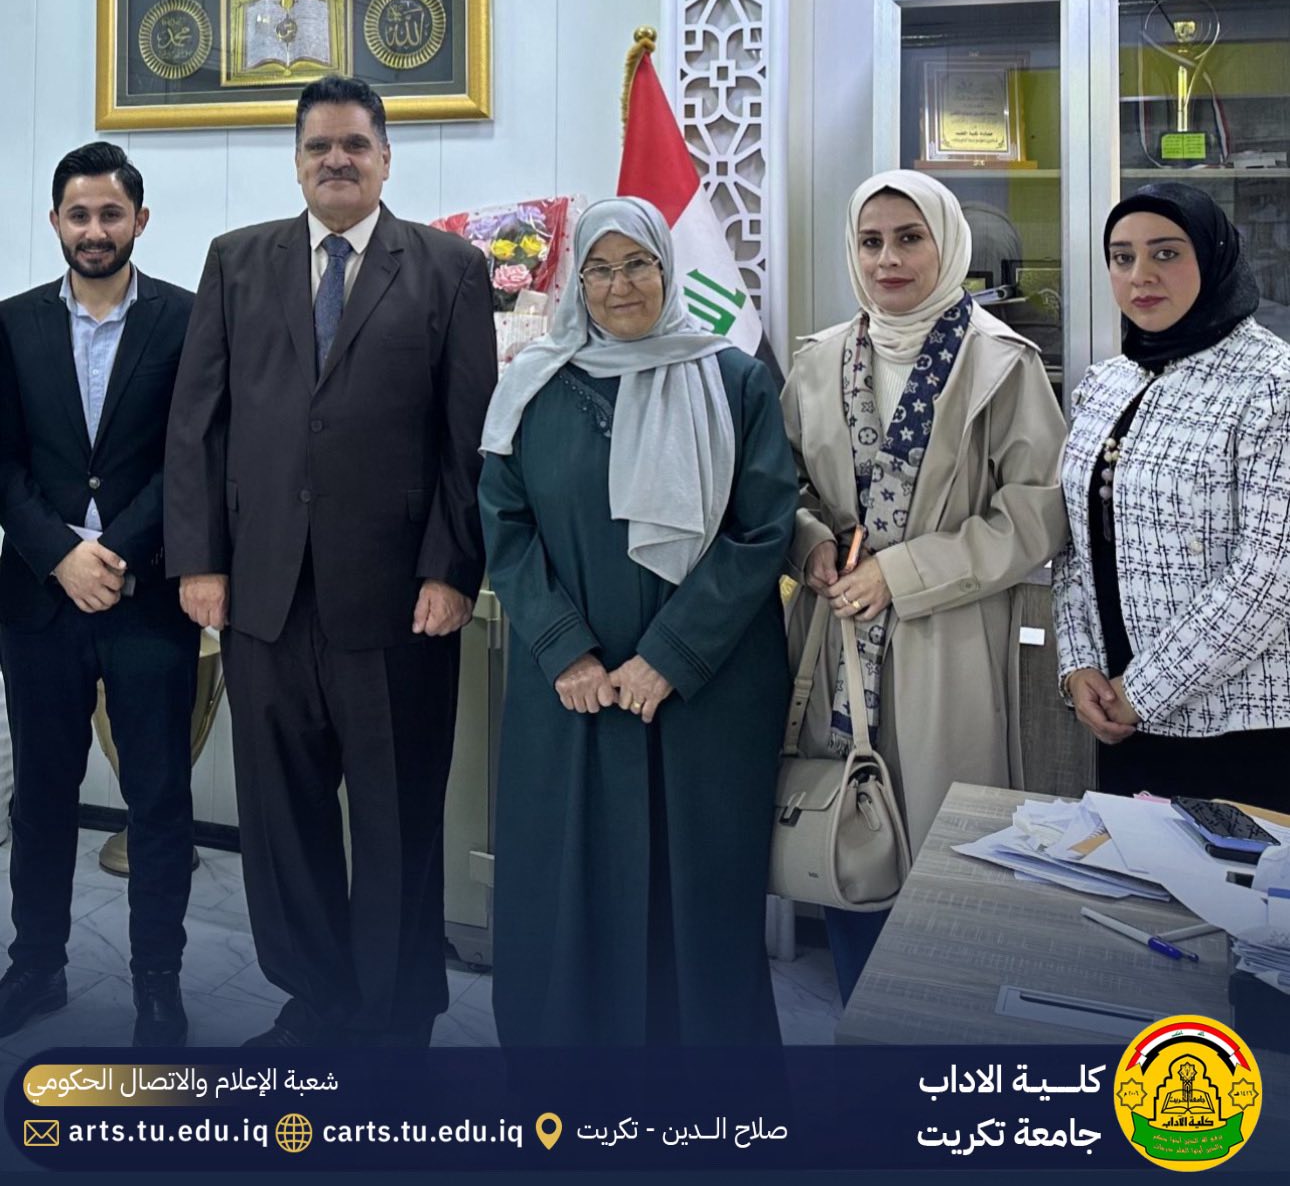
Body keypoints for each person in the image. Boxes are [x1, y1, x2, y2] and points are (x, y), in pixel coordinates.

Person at [163, 74, 496, 1046]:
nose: (336, 160)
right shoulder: (236, 261)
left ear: (386, 157)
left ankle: (395, 1021)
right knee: (282, 823)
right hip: (264, 600)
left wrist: (451, 568)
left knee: (397, 821)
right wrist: (200, 561)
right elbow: (198, 425)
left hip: (398, 604)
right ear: (297, 161)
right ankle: (315, 1002)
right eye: (319, 146)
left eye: (354, 144)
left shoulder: (448, 267)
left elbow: (468, 437)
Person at [479, 197, 797, 1045]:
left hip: (702, 690)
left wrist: (670, 656)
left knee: (696, 897)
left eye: (638, 264)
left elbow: (762, 530)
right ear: (578, 281)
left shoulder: (734, 380)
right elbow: (504, 528)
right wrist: (565, 652)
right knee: (566, 887)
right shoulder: (532, 386)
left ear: (667, 267)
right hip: (570, 692)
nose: (621, 285)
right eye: (601, 269)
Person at [781, 169, 1067, 1000]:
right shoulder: (818, 360)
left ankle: (942, 1038)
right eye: (871, 242)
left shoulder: (1001, 363)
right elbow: (784, 489)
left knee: (950, 853)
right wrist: (811, 548)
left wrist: (902, 574)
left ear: (948, 246)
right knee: (844, 832)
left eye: (910, 239)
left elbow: (1035, 513)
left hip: (950, 639)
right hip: (835, 639)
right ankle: (861, 1022)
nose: (888, 260)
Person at [0, 142, 197, 1045]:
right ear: (55, 222)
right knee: (42, 796)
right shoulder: (11, 325)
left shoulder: (186, 321)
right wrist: (59, 556)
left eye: (110, 214)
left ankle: (158, 981)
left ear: (139, 221)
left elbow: (189, 458)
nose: (94, 230)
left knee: (158, 798)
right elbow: (4, 465)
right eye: (78, 214)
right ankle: (36, 966)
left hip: (146, 593)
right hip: (40, 601)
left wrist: (112, 551)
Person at [1053, 182, 1290, 810]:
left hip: (1239, 725)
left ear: (1213, 257)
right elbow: (1073, 541)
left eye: (1166, 253)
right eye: (1122, 257)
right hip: (1118, 712)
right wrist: (1078, 666)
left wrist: (1144, 690)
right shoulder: (1106, 382)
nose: (1141, 275)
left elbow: (1270, 577)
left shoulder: (1273, 384)